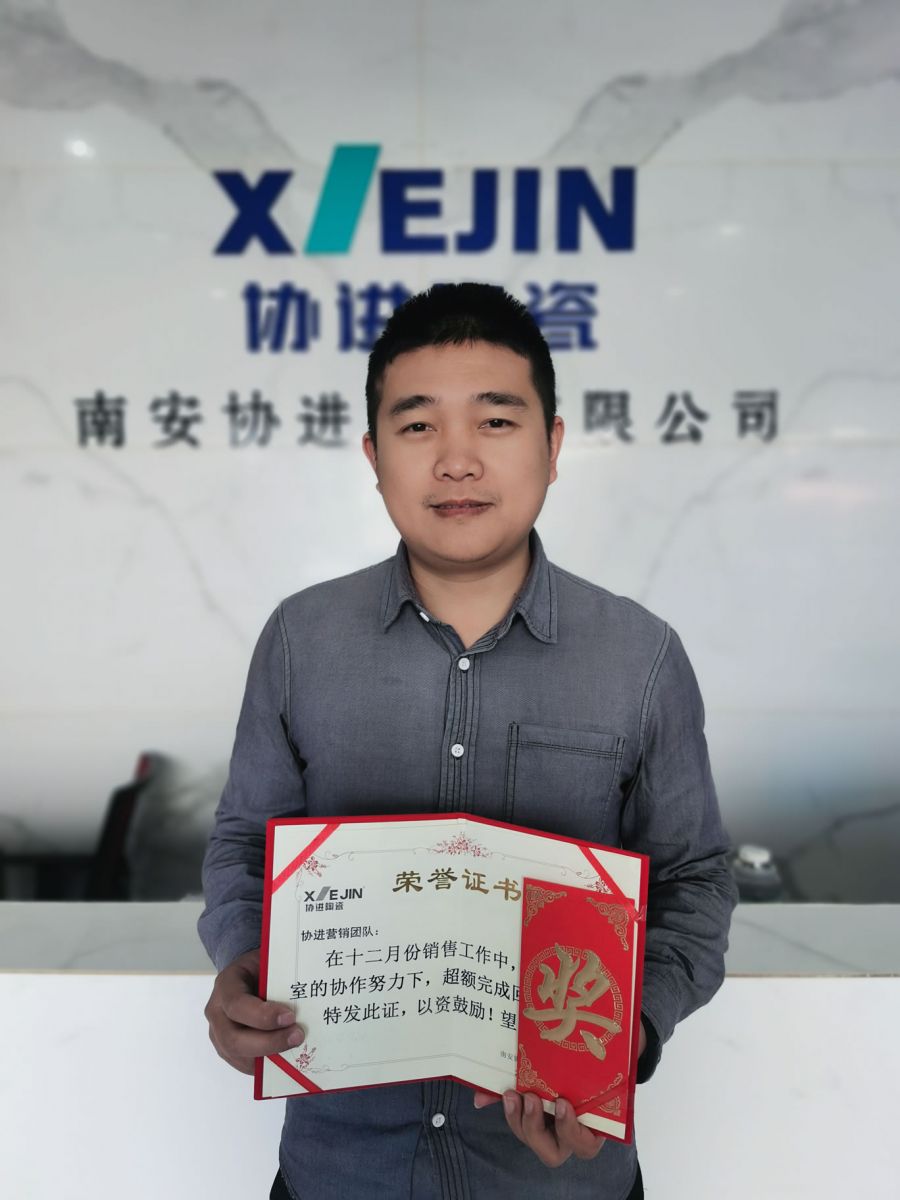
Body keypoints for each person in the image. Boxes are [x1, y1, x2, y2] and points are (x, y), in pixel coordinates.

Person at [199, 282, 738, 1200]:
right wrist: (243, 962)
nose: (456, 461)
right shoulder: (300, 640)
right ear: (374, 457)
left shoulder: (641, 657)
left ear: (553, 447)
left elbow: (694, 880)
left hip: (561, 1180)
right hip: (344, 1172)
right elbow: (246, 845)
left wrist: (622, 1040)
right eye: (418, 426)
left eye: (495, 421)